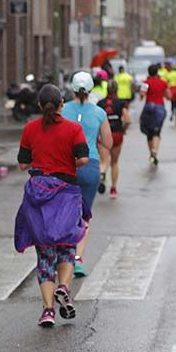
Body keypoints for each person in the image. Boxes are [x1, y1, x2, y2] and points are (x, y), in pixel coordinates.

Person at [16, 83, 89, 327]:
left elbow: (23, 164)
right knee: (67, 246)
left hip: (38, 194)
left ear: (39, 105)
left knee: (45, 253)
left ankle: (48, 310)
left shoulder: (30, 129)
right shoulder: (73, 129)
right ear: (61, 105)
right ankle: (64, 288)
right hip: (65, 194)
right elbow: (82, 159)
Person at [62, 72, 112, 277]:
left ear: (72, 89)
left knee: (64, 214)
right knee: (84, 216)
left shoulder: (63, 110)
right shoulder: (99, 112)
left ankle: (63, 256)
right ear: (92, 89)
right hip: (90, 166)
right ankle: (78, 260)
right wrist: (95, 140)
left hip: (66, 166)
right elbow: (108, 143)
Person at [98, 80, 130, 198]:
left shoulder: (100, 103)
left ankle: (102, 174)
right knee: (114, 162)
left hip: (104, 134)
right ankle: (113, 189)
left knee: (104, 161)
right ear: (117, 89)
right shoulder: (121, 103)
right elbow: (127, 119)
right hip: (117, 133)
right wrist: (124, 128)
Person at [139, 64, 168, 166]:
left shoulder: (145, 83)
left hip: (148, 107)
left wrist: (143, 95)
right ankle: (155, 151)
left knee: (149, 132)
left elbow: (142, 95)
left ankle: (151, 152)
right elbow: (168, 95)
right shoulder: (163, 83)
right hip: (159, 108)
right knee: (157, 131)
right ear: (157, 72)